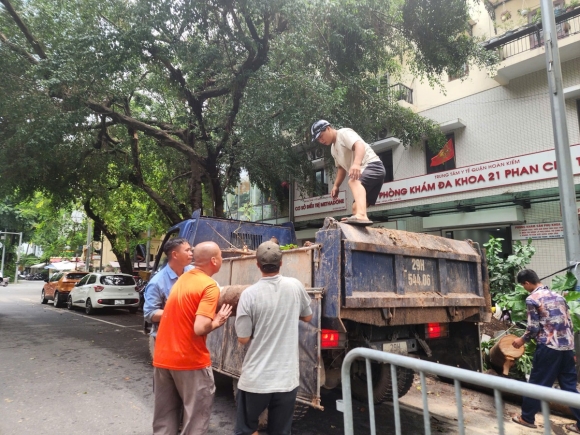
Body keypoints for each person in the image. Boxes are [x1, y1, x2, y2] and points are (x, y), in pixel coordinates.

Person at [152, 241, 232, 435]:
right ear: (214, 260)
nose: (222, 259)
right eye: (221, 256)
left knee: (164, 419)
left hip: (162, 358)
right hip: (189, 361)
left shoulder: (183, 279)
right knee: (195, 421)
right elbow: (200, 327)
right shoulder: (209, 286)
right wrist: (218, 320)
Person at [234, 241, 313, 435]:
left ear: (257, 265)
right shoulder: (295, 286)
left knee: (246, 429)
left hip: (256, 380)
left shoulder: (249, 295)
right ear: (281, 263)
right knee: (281, 431)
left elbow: (243, 338)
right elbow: (308, 316)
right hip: (287, 380)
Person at [511, 269, 580, 432]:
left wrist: (521, 340)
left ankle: (526, 418)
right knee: (570, 387)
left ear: (527, 283)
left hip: (549, 348)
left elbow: (533, 328)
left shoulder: (532, 299)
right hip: (567, 348)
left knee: (537, 384)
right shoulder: (559, 296)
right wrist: (573, 351)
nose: (524, 288)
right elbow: (568, 323)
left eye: (523, 285)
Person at [311, 119, 386, 226]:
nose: (321, 140)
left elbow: (359, 145)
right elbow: (341, 168)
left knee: (353, 181)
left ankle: (362, 215)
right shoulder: (333, 149)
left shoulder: (343, 133)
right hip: (370, 170)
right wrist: (336, 186)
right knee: (355, 208)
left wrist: (356, 164)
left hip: (373, 166)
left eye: (321, 136)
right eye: (318, 139)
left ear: (328, 128)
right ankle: (359, 227)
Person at [143, 237, 193, 356]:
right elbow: (150, 314)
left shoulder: (193, 272)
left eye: (191, 250)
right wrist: (180, 311)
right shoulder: (157, 282)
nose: (191, 253)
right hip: (167, 341)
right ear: (175, 254)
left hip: (190, 337)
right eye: (187, 250)